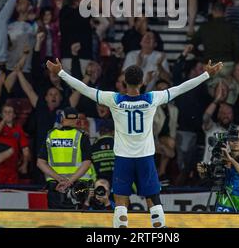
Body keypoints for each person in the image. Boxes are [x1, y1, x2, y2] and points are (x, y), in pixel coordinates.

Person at [47, 57, 223, 228]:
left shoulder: (114, 100)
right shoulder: (152, 98)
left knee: (121, 204)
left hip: (123, 158)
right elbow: (181, 88)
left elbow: (85, 88)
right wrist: (206, 75)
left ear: (124, 81)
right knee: (154, 201)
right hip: (145, 158)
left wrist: (61, 72)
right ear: (141, 82)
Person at [37, 106, 94, 209]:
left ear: (62, 118)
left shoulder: (51, 135)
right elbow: (87, 163)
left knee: (56, 221)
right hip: (78, 188)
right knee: (78, 221)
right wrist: (69, 182)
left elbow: (40, 162)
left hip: (56, 186)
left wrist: (60, 179)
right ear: (77, 120)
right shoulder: (81, 136)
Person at [197, 130, 239, 212]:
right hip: (223, 202)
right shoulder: (221, 157)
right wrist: (202, 171)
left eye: (238, 140)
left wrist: (231, 159)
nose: (235, 142)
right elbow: (209, 178)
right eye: (232, 140)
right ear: (228, 142)